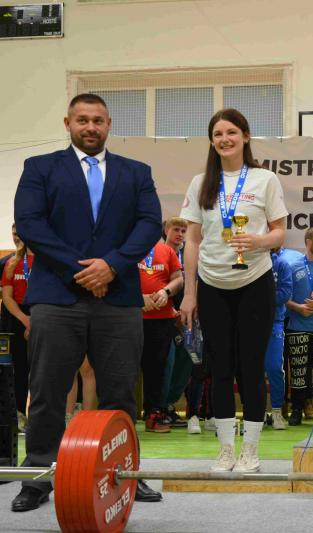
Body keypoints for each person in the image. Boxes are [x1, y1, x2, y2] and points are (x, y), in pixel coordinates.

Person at [12, 93, 163, 511]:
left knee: (120, 393)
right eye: (82, 120)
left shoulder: (136, 172)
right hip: (56, 298)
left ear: (109, 124)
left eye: (98, 120)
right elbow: (30, 224)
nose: (90, 127)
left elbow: (150, 223)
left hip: (118, 299)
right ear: (68, 123)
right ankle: (39, 476)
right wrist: (84, 270)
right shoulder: (40, 168)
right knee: (47, 390)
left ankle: (125, 472)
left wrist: (111, 266)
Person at [180, 108, 287, 472]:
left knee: (252, 368)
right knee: (220, 368)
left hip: (255, 281)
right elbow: (192, 241)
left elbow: (279, 233)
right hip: (212, 285)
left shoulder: (265, 179)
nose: (224, 139)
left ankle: (250, 451)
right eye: (218, 134)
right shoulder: (200, 183)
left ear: (245, 136)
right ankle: (226, 449)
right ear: (212, 141)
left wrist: (258, 241)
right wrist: (190, 292)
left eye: (231, 132)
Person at [286, 228, 313, 426]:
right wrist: (298, 307)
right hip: (297, 326)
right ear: (308, 242)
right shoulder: (292, 266)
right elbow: (283, 297)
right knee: (298, 372)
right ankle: (296, 409)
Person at [138, 239, 184, 433]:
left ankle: (153, 414)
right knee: (125, 368)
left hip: (161, 318)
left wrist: (166, 291)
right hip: (131, 316)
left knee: (157, 369)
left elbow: (178, 279)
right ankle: (122, 416)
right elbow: (118, 276)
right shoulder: (128, 245)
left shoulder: (167, 251)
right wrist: (137, 298)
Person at [159, 217, 191, 428]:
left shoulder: (189, 254)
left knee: (187, 361)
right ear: (166, 231)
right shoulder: (158, 253)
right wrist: (171, 311)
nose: (180, 234)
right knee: (166, 363)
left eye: (183, 231)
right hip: (163, 316)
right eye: (176, 230)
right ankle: (159, 408)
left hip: (186, 317)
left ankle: (170, 404)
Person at [265, 245, 300, 430]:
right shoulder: (250, 262)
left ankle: (277, 410)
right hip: (251, 323)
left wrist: (260, 298)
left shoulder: (281, 265)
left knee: (274, 367)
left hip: (275, 322)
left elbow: (286, 293)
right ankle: (256, 412)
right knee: (253, 369)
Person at [0, 238, 34, 432]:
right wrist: (24, 320)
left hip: (43, 314)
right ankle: (20, 413)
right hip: (18, 317)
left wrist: (36, 320)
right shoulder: (12, 262)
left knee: (43, 369)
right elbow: (7, 296)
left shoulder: (47, 260)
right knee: (20, 368)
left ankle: (41, 416)